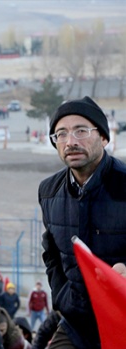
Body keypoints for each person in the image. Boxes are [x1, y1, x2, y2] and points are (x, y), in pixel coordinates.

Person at [39, 96, 126, 349]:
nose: (71, 142)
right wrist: (62, 298)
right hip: (77, 324)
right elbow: (52, 253)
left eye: (81, 131)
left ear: (103, 137)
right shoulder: (49, 191)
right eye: (61, 134)